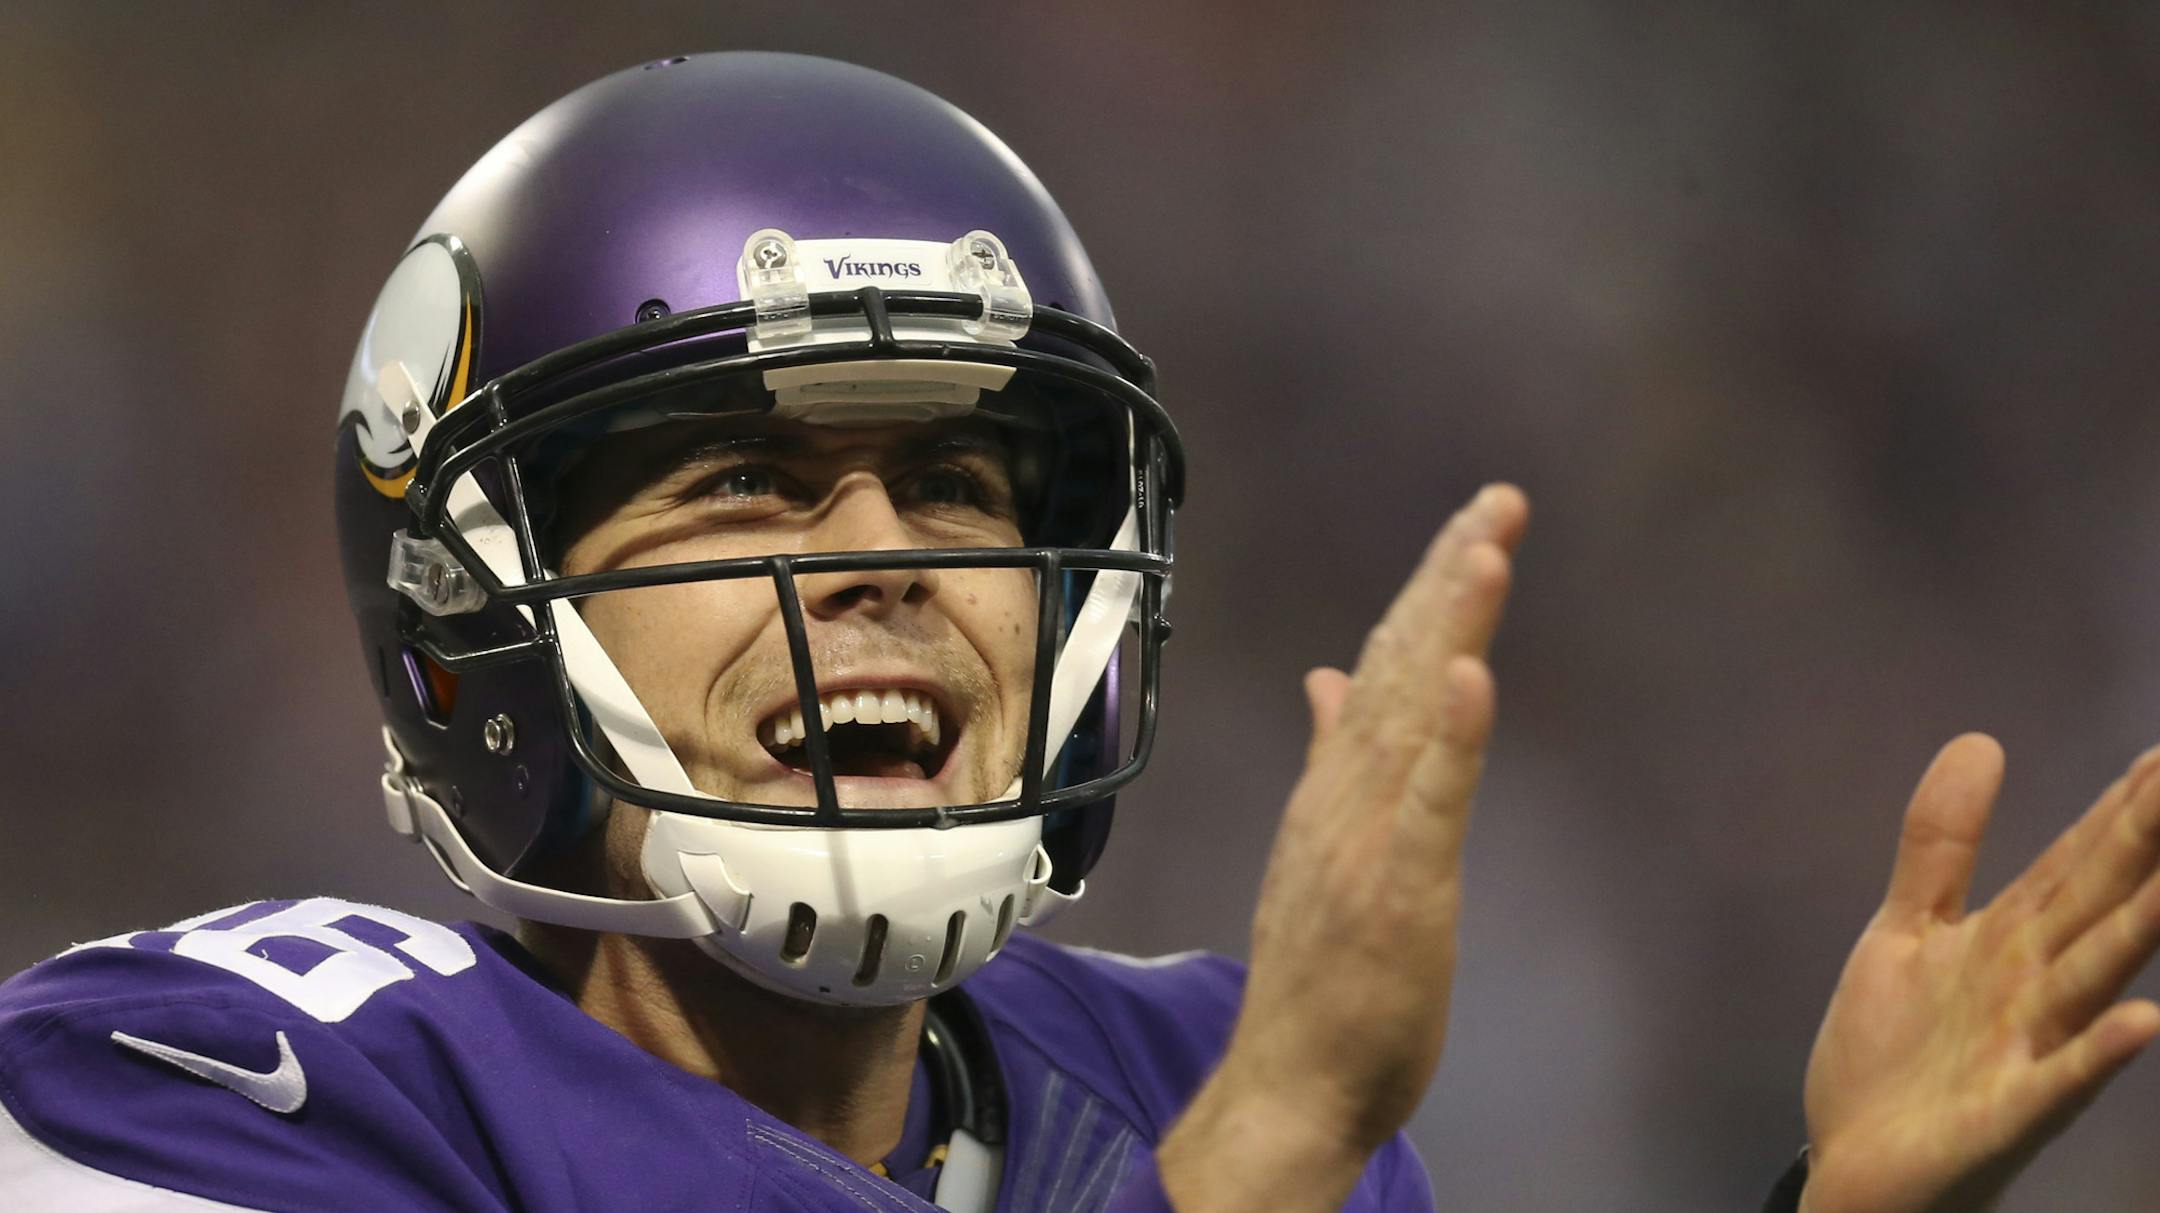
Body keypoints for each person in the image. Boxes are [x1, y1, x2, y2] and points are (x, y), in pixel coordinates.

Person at [3, 52, 2158, 1213]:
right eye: (746, 480)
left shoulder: (1178, 1066)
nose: (885, 556)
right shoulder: (214, 1077)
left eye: (963, 484)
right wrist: (1250, 1178)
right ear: (469, 601)